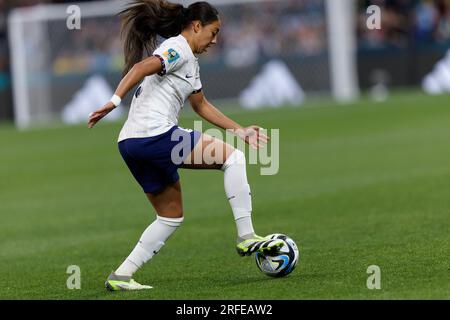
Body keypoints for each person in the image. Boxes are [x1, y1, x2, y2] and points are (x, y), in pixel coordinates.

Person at [88, 0, 283, 291]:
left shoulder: (189, 60)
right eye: (213, 32)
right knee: (233, 159)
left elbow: (201, 105)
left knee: (170, 215)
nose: (215, 40)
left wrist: (239, 130)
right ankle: (246, 237)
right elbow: (143, 66)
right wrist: (113, 102)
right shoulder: (178, 47)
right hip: (155, 136)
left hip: (131, 144)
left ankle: (121, 276)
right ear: (196, 26)